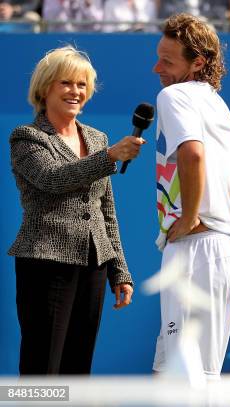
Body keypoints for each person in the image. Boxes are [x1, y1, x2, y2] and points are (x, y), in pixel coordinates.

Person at [8, 46, 144, 375]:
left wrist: (119, 270)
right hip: (45, 262)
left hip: (93, 265)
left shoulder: (97, 139)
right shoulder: (27, 137)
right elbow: (53, 179)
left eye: (82, 84)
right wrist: (110, 157)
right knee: (43, 365)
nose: (76, 91)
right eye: (66, 83)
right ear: (45, 88)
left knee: (78, 369)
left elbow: (106, 211)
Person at [151, 14, 230, 379]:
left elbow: (192, 154)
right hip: (221, 249)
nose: (156, 67)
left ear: (198, 63)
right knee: (173, 371)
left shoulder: (172, 95)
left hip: (194, 249)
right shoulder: (215, 102)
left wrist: (192, 216)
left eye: (167, 61)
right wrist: (220, 215)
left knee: (184, 381)